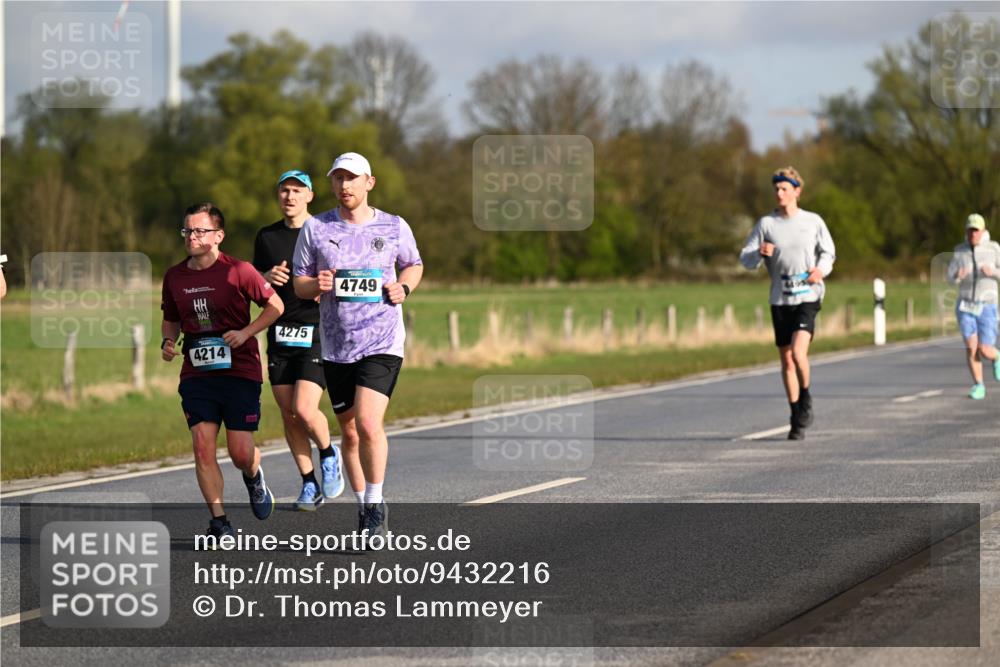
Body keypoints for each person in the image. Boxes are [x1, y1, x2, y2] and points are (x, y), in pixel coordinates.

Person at [292, 152, 423, 537]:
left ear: (370, 182)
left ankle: (376, 505)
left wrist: (404, 286)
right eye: (338, 178)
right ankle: (364, 505)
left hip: (382, 340)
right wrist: (317, 284)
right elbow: (299, 282)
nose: (344, 185)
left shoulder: (394, 226)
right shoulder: (315, 228)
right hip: (336, 345)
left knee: (368, 423)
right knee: (348, 432)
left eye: (352, 178)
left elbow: (413, 263)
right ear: (331, 184)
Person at [161, 202, 283, 539]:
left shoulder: (240, 270)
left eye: (199, 230)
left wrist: (246, 332)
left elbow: (276, 306)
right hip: (197, 372)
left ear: (218, 236)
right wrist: (168, 342)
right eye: (187, 230)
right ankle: (220, 522)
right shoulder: (174, 276)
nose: (191, 236)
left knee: (241, 451)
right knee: (202, 445)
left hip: (239, 369)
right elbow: (170, 318)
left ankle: (253, 475)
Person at [253, 170, 345, 511]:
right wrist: (264, 277)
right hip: (279, 330)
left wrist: (328, 283)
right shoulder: (266, 237)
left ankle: (328, 453)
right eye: (284, 190)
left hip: (316, 328)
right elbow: (254, 288)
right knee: (289, 415)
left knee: (305, 409)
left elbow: (345, 273)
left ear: (310, 195)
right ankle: (309, 484)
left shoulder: (325, 231)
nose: (289, 196)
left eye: (297, 190)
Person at [740, 166, 836, 440]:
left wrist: (820, 270)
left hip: (808, 295)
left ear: (797, 191)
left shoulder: (812, 221)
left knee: (797, 352)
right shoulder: (766, 224)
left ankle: (805, 397)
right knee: (786, 361)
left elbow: (828, 251)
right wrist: (759, 253)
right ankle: (795, 415)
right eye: (776, 189)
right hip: (780, 298)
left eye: (784, 188)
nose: (779, 193)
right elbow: (745, 259)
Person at [947, 213, 1000, 399]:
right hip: (966, 305)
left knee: (985, 349)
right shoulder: (959, 251)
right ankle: (979, 385)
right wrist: (957, 275)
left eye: (976, 230)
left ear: (983, 231)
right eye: (970, 230)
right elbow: (949, 278)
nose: (973, 234)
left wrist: (993, 272)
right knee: (971, 347)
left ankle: (997, 357)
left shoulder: (993, 249)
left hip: (987, 305)